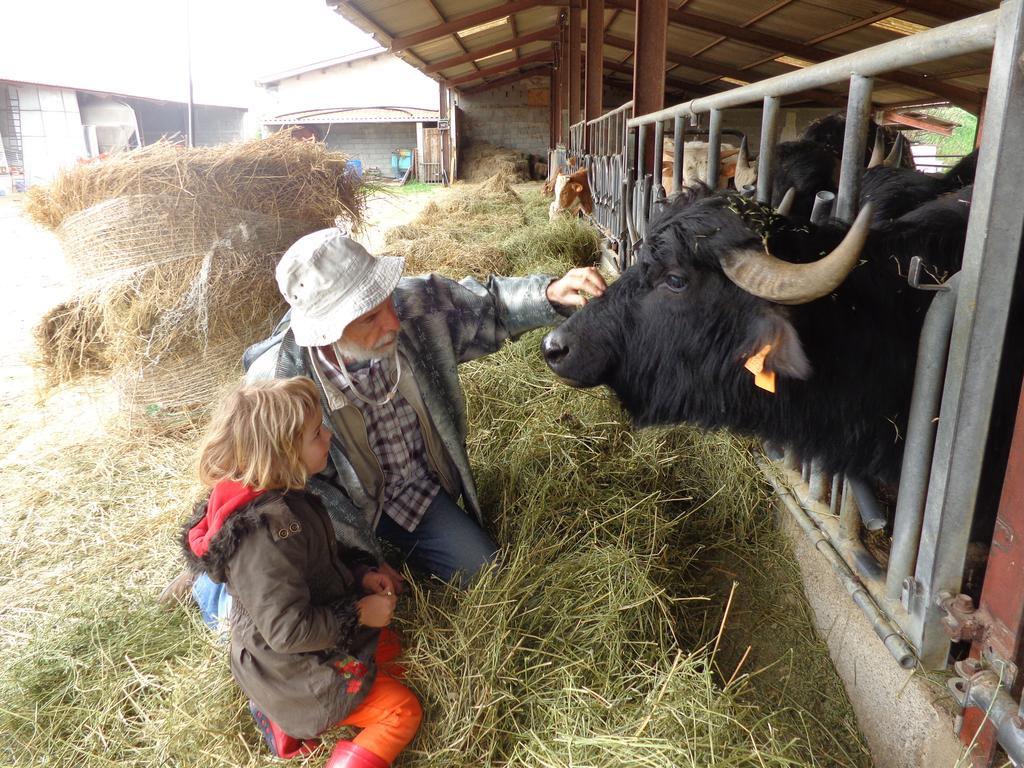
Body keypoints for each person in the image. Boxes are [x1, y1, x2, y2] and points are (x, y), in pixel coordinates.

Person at [182, 226, 606, 622]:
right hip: (330, 521)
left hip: (414, 493)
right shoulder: (279, 383)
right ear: (327, 331)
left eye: (385, 300)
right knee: (290, 611)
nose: (393, 322)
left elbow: (488, 306)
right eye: (368, 317)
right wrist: (357, 560)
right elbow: (281, 490)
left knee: (488, 573)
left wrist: (549, 293)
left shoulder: (413, 308)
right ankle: (208, 581)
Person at [181, 377, 421, 768]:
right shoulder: (263, 536)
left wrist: (360, 575)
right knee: (402, 711)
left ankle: (286, 719)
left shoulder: (285, 498)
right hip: (295, 671)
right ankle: (289, 720)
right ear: (281, 453)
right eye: (316, 433)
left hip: (310, 645)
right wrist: (359, 612)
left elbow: (318, 559)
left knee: (395, 651)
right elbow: (287, 631)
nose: (328, 435)